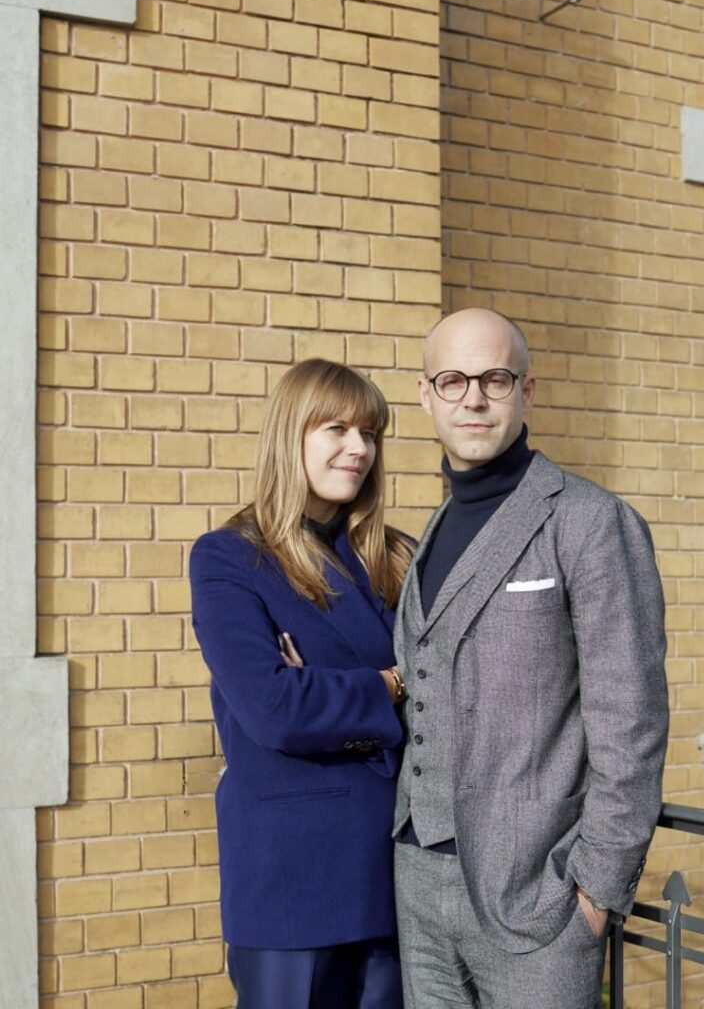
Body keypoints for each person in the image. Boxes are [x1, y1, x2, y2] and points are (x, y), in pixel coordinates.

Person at [392, 307, 669, 1009]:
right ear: (426, 395)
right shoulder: (436, 526)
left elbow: (631, 721)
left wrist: (595, 893)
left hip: (538, 900)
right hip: (418, 884)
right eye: (452, 381)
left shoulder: (590, 520)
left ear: (527, 390)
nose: (473, 399)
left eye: (495, 379)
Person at [190, 358, 413, 1009]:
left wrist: (328, 689)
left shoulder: (398, 556)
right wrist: (391, 685)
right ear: (291, 434)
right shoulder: (231, 558)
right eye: (336, 429)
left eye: (369, 433)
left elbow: (451, 688)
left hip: (396, 869)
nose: (359, 448)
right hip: (294, 882)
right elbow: (274, 709)